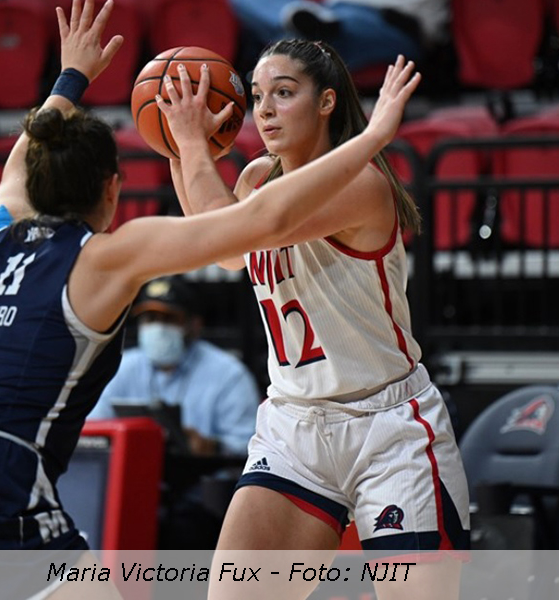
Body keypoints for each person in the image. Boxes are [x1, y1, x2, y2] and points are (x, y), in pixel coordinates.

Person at [0, 0, 421, 597]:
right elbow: (261, 222)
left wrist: (71, 77)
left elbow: (19, 163)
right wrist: (373, 136)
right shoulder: (110, 255)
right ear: (112, 190)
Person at [162, 37, 468, 600]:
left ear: (327, 101)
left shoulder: (361, 184)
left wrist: (190, 143)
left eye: (284, 93)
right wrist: (179, 149)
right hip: (293, 425)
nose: (265, 110)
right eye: (257, 96)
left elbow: (241, 230)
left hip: (388, 427)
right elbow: (225, 252)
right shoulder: (257, 178)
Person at [88, 274, 259, 457]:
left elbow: (249, 446)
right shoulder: (120, 368)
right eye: (150, 319)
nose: (158, 328)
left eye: (169, 319)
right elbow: (93, 429)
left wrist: (212, 447)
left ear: (194, 325)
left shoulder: (228, 374)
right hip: (130, 468)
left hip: (199, 472)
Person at [230, 0, 448, 72]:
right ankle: (295, 21)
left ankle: (293, 27)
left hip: (394, 26)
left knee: (291, 46)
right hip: (334, 13)